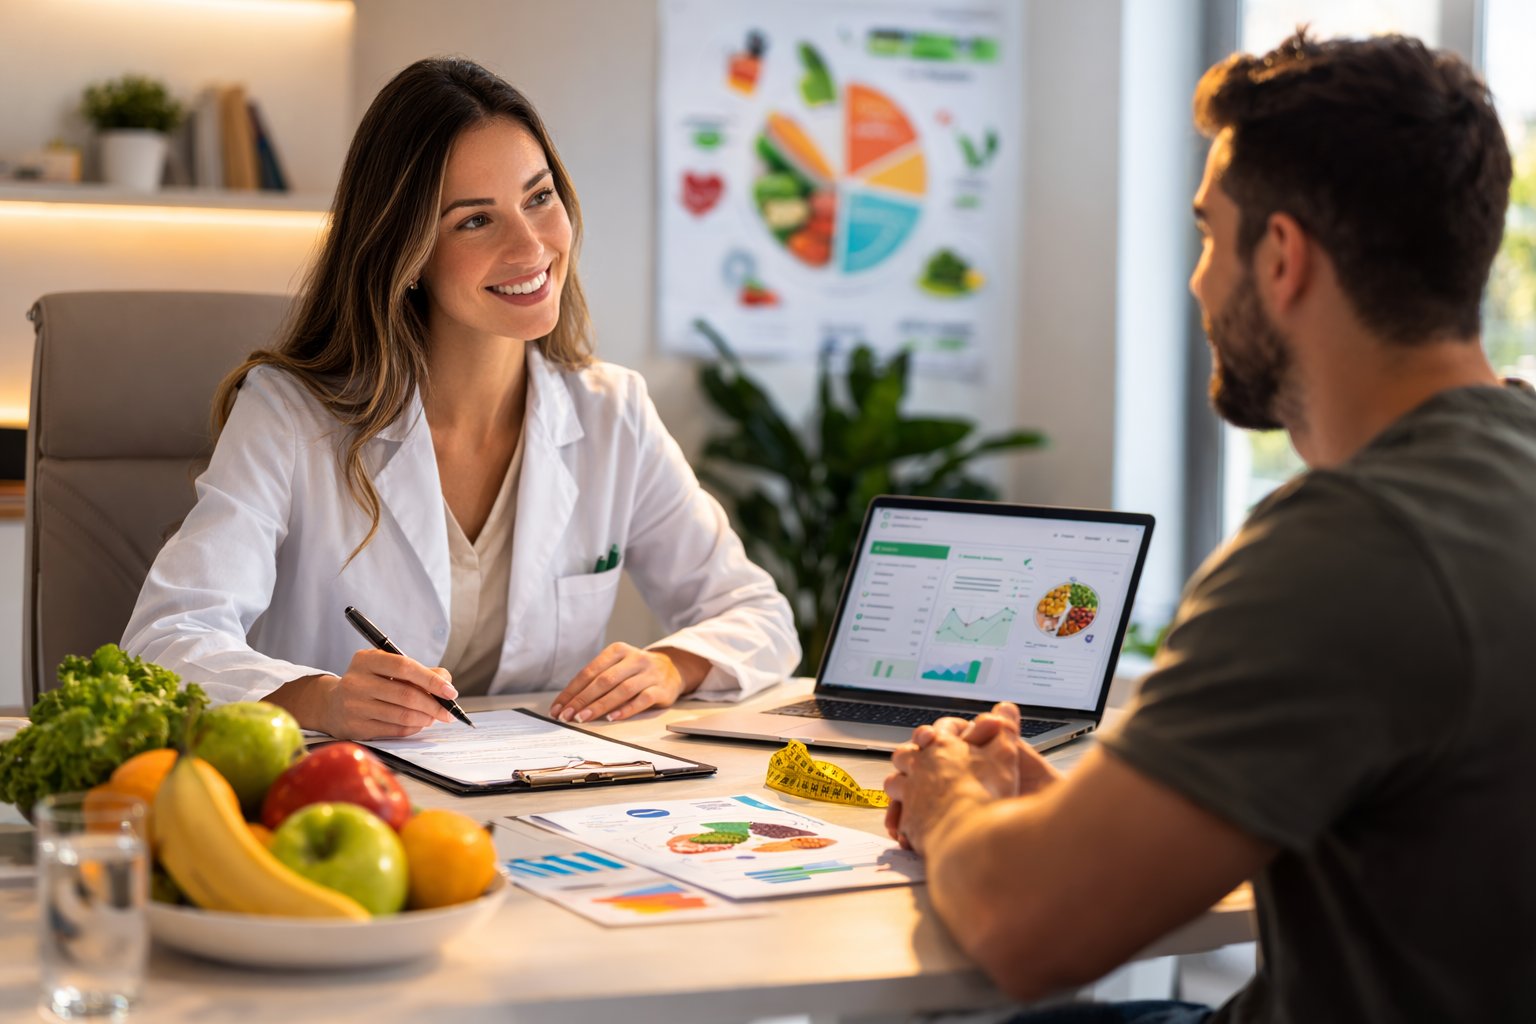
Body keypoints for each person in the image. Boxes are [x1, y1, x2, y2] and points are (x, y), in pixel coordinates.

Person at [884, 32, 1534, 1023]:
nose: (1195, 281)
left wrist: (947, 806)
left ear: (1281, 258)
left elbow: (1028, 930)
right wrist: (1086, 818)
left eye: (1207, 236)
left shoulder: (1350, 548)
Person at [123, 58, 799, 740]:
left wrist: (673, 665)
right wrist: (321, 700)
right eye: (475, 221)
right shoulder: (289, 414)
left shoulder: (611, 412)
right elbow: (166, 640)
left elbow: (759, 614)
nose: (531, 246)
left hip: (542, 787)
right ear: (407, 251)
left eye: (539, 197)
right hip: (338, 783)